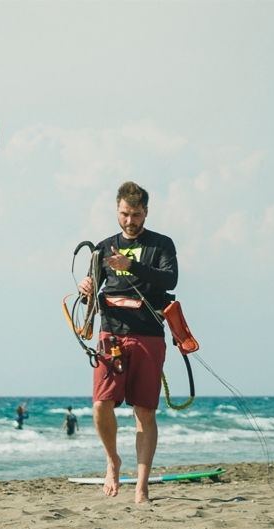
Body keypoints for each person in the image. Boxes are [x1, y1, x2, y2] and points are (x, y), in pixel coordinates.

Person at [77, 181, 178, 503]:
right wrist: (86, 288)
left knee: (144, 411)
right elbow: (92, 293)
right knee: (100, 404)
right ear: (117, 211)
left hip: (148, 333)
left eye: (135, 214)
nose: (130, 220)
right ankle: (112, 462)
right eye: (124, 214)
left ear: (146, 212)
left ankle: (142, 485)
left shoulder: (161, 244)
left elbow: (170, 279)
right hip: (112, 332)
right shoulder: (104, 247)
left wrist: (131, 265)